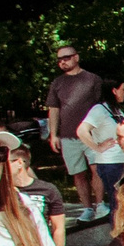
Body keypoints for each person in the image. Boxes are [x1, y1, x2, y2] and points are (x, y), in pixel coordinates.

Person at [45, 45, 111, 218]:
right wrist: (53, 134)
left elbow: (103, 105)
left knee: (96, 169)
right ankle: (87, 208)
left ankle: (100, 204)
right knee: (78, 173)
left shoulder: (93, 79)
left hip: (92, 134)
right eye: (59, 60)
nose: (62, 62)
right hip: (67, 135)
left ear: (76, 57)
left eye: (66, 58)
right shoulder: (57, 83)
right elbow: (53, 109)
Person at [9, 144, 70, 246]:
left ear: (19, 163)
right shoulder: (1, 192)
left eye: (5, 162)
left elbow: (58, 228)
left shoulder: (48, 190)